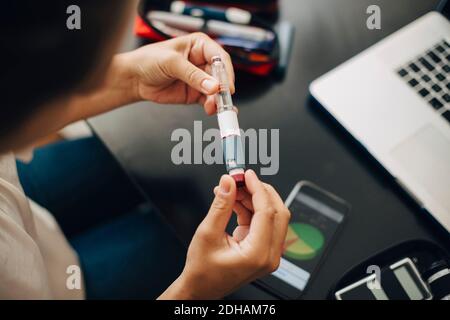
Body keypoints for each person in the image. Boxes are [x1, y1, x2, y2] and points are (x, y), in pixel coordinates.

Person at [0, 1, 290, 299]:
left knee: (166, 180)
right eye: (100, 68)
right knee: (175, 236)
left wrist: (132, 78)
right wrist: (195, 291)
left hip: (24, 204)